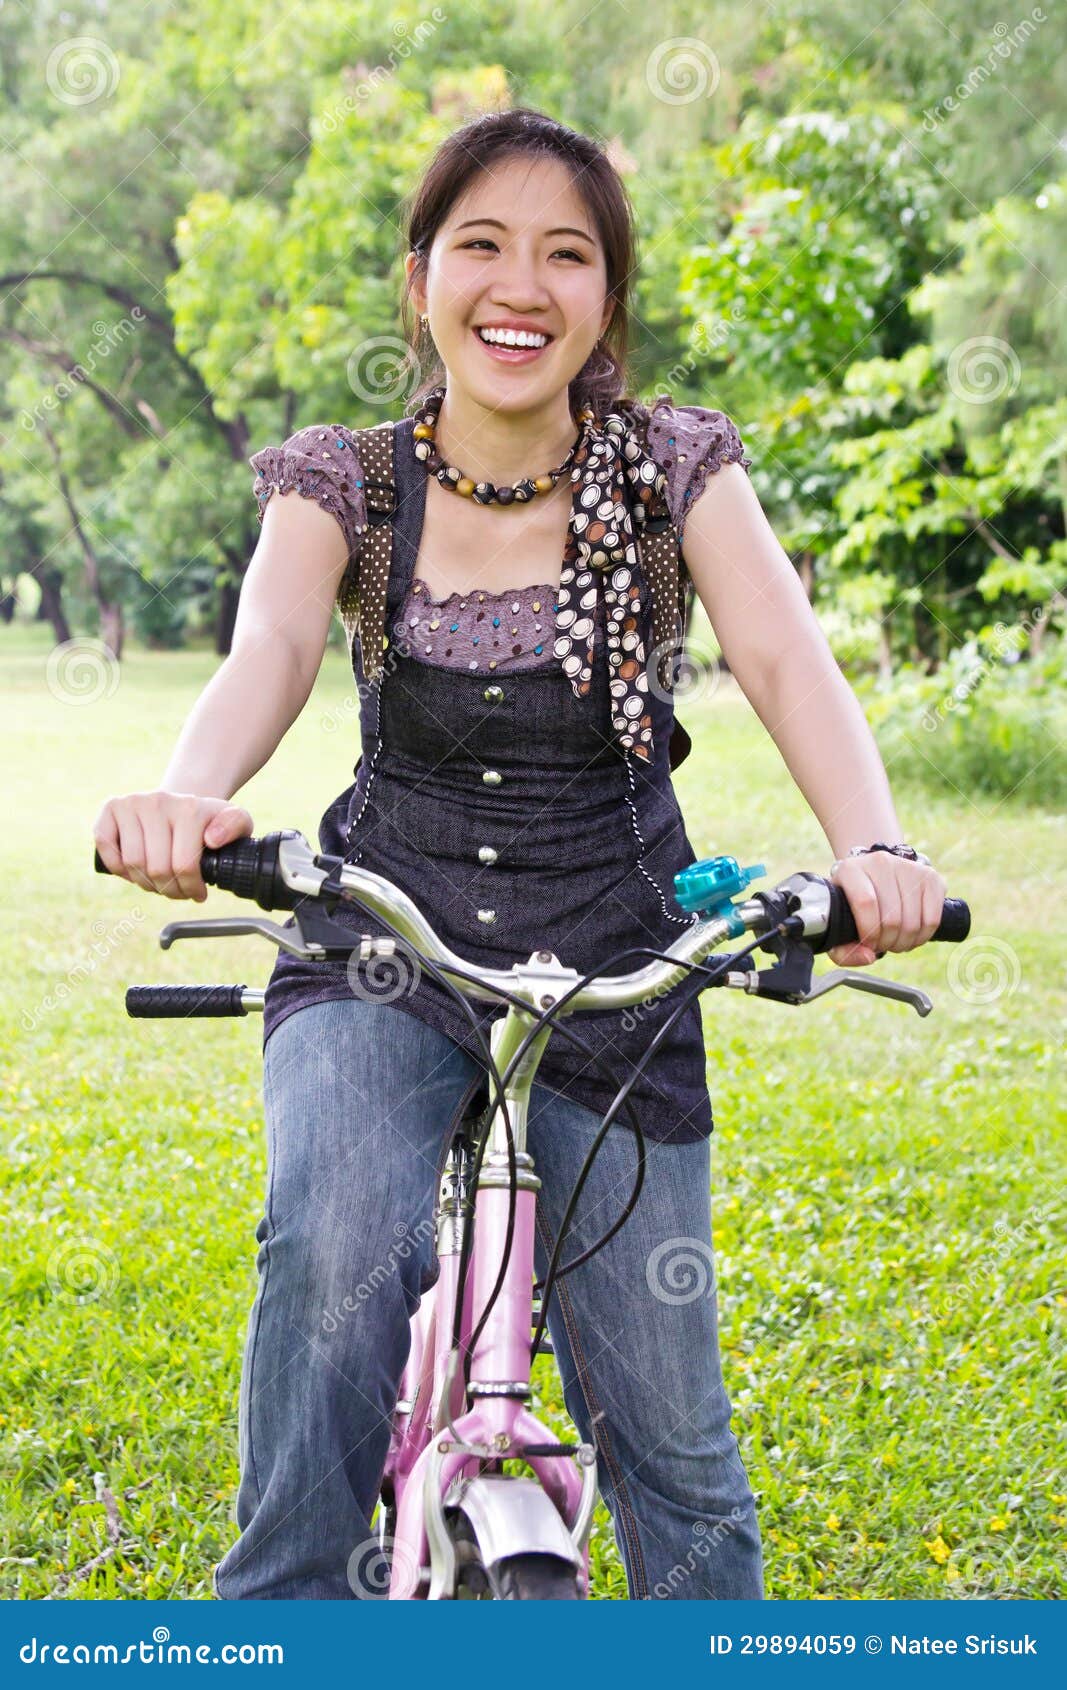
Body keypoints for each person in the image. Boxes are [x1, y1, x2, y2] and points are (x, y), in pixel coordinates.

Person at [93, 108, 947, 1600]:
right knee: (331, 1261)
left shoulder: (675, 466)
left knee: (671, 1422)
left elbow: (788, 661)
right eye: (481, 245)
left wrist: (873, 848)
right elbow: (274, 643)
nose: (521, 286)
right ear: (421, 274)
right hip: (382, 939)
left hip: (624, 944)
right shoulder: (340, 479)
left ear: (607, 298)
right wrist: (189, 799)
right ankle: (285, 1616)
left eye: (569, 254)